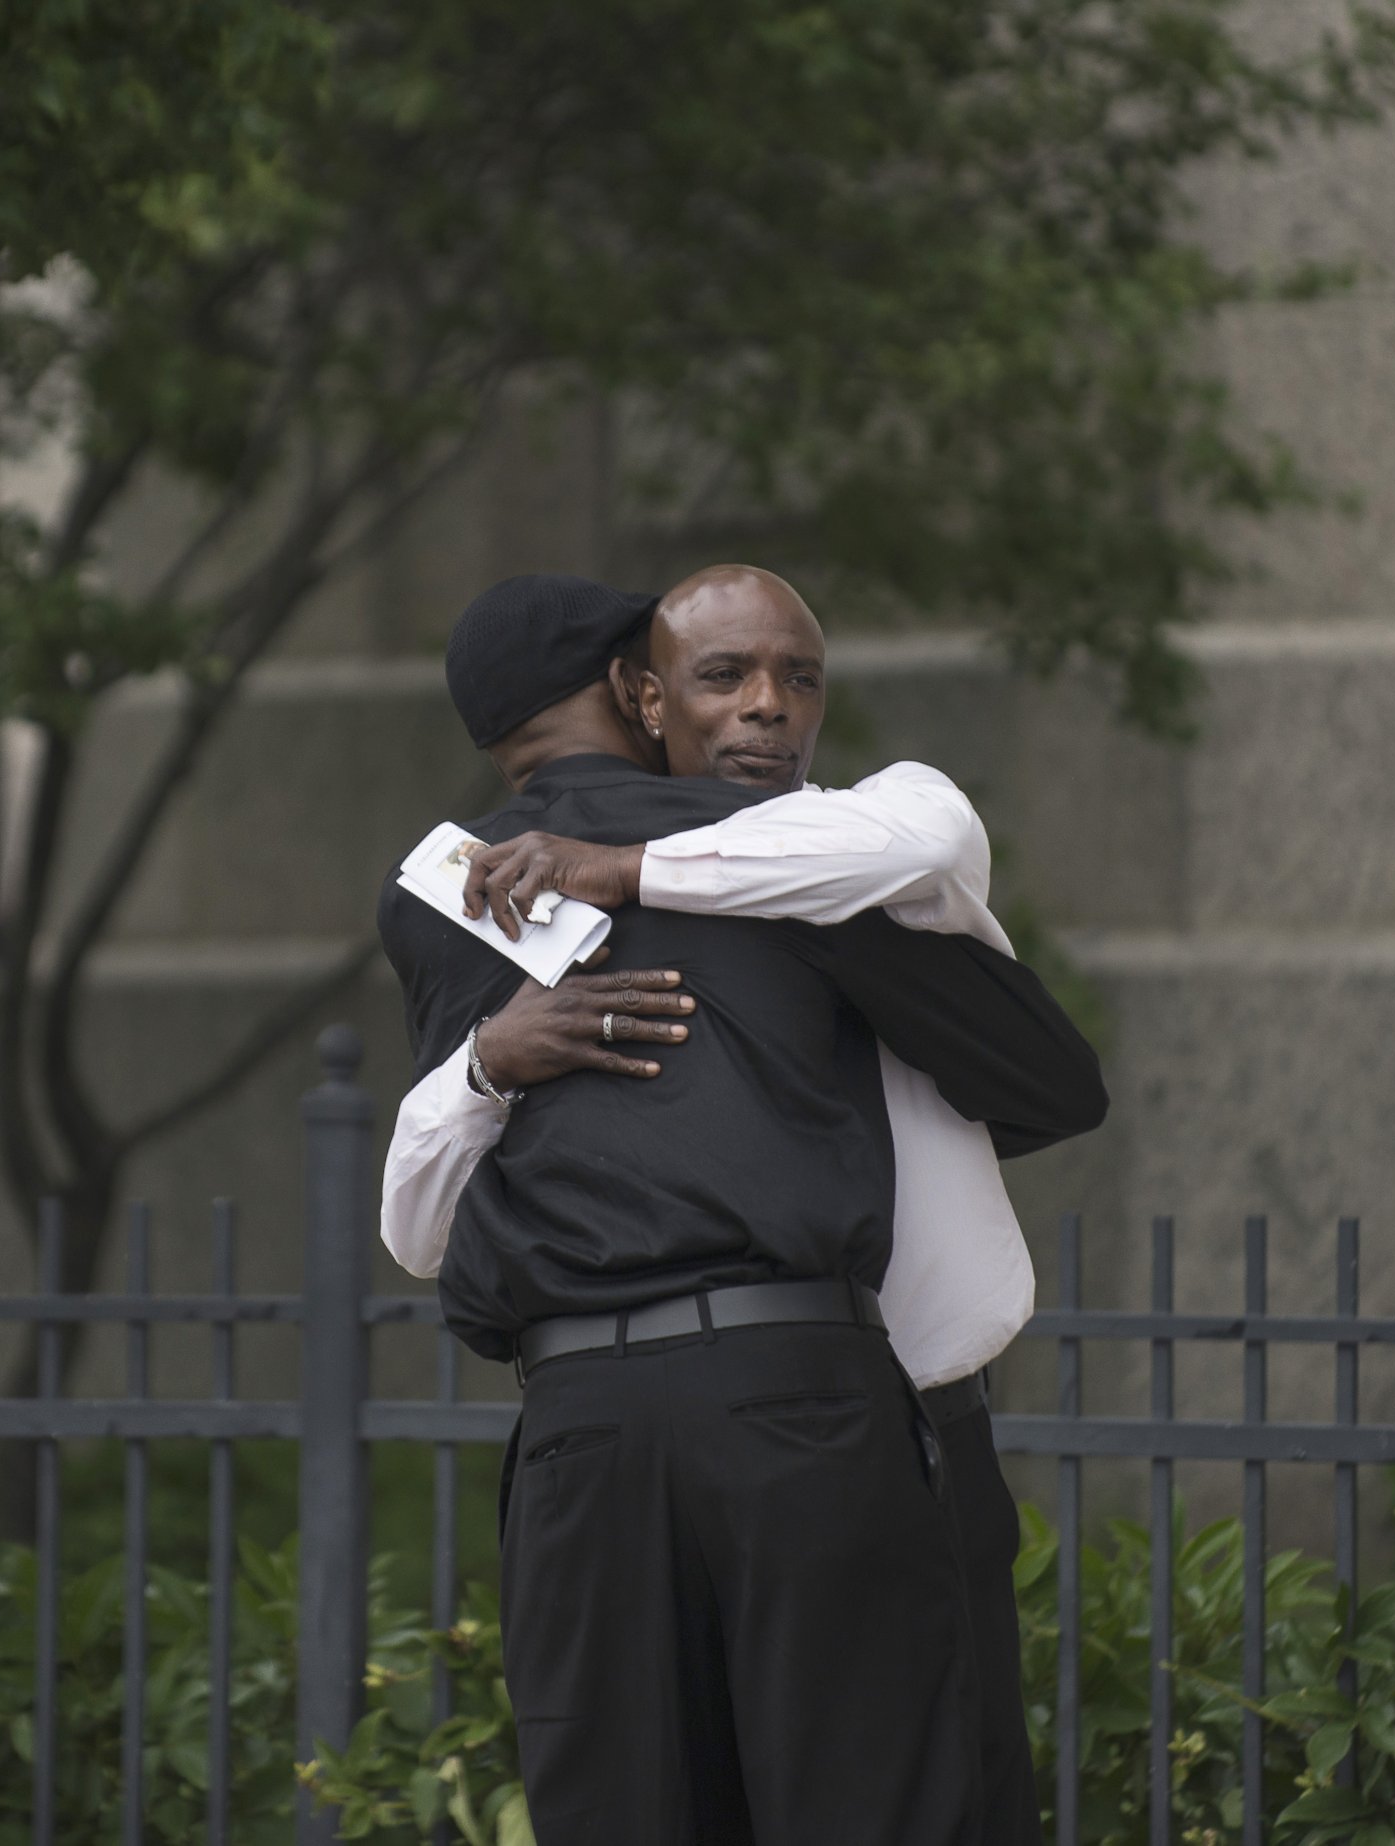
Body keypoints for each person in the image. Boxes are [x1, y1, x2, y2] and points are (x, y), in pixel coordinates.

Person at [374, 570, 1105, 1845]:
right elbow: (1048, 1080)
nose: (765, 709)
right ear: (634, 689)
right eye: (721, 675)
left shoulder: (442, 903)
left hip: (576, 1431)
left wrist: (492, 1054)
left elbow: (418, 1237)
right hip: (808, 1397)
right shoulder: (796, 855)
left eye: (794, 678)